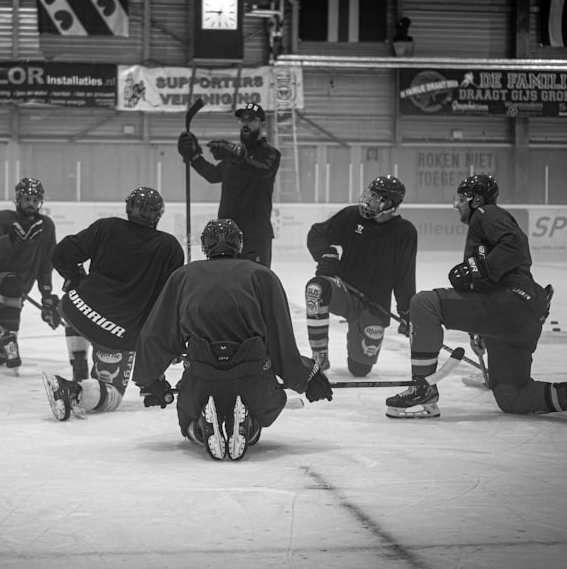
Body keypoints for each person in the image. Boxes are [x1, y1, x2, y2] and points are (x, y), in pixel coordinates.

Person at [386, 174, 567, 424]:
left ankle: (423, 391)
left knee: (424, 303)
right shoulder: (485, 223)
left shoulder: (486, 213)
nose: (457, 205)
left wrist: (478, 269)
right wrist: (479, 330)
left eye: (461, 198)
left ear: (475, 200)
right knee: (511, 396)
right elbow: (489, 279)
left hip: (511, 301)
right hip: (521, 317)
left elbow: (515, 244)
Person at [133, 219, 333, 461]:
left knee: (186, 421)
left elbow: (156, 334)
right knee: (265, 409)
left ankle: (199, 427)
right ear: (239, 244)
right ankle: (249, 425)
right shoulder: (262, 275)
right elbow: (281, 341)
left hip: (201, 379)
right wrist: (307, 376)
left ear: (204, 247)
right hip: (254, 380)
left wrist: (151, 379)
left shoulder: (183, 276)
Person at [43, 187, 184, 421]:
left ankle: (79, 367)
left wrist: (76, 279)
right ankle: (73, 390)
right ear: (158, 215)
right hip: (115, 333)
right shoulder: (169, 248)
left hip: (75, 308)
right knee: (113, 395)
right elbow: (167, 304)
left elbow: (62, 254)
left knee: (77, 314)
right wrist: (169, 348)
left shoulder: (107, 226)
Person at [305, 175, 417, 376]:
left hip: (374, 304)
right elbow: (317, 233)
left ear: (389, 203)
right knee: (316, 289)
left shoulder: (404, 232)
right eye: (370, 194)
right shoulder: (351, 216)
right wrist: (325, 254)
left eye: (376, 197)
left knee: (359, 369)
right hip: (343, 291)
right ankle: (319, 357)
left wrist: (407, 313)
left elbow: (405, 276)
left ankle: (360, 351)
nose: (369, 199)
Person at [0, 178, 59, 370]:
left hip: (14, 294)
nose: (31, 204)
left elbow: (45, 266)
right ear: (17, 199)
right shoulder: (0, 219)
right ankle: (10, 343)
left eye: (35, 200)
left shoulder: (46, 227)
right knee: (10, 283)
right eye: (27, 199)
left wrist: (47, 298)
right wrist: (10, 240)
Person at [177, 102, 281, 267]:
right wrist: (194, 157)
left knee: (256, 284)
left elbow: (263, 171)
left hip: (255, 236)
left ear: (262, 124)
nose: (246, 122)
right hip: (225, 234)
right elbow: (213, 175)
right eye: (243, 119)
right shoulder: (233, 154)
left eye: (251, 119)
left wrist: (237, 158)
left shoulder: (270, 154)